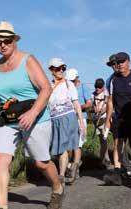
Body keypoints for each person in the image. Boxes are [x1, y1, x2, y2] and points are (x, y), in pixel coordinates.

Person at [0, 21, 63, 209]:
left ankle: (57, 187)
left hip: (35, 118)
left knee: (41, 163)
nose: (2, 45)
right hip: (7, 120)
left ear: (15, 41)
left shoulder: (27, 60)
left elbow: (46, 88)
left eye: (7, 41)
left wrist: (33, 112)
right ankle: (2, 206)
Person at [103, 52, 131, 185]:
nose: (119, 64)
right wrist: (107, 119)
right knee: (117, 144)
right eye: (117, 62)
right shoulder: (113, 80)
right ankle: (117, 173)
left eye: (122, 61)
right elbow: (110, 101)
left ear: (129, 62)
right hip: (119, 119)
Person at [47, 58, 85, 187]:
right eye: (58, 68)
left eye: (63, 68)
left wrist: (81, 123)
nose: (61, 71)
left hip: (68, 117)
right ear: (51, 70)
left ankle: (62, 175)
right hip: (54, 119)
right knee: (59, 149)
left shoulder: (69, 84)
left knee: (63, 147)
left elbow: (76, 103)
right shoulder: (48, 86)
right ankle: (72, 167)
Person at [64, 68, 91, 184]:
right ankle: (70, 166)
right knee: (68, 145)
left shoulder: (83, 87)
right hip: (69, 118)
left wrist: (78, 107)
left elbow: (89, 104)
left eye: (73, 80)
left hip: (81, 118)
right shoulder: (66, 87)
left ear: (77, 78)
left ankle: (74, 171)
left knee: (77, 145)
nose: (71, 82)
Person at [91, 78, 111, 168]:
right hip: (97, 121)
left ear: (103, 87)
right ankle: (106, 159)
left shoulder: (106, 94)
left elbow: (109, 105)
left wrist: (104, 110)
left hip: (105, 120)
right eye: (96, 86)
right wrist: (93, 109)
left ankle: (103, 160)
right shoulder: (93, 95)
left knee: (104, 139)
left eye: (99, 87)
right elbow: (91, 107)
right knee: (102, 141)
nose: (97, 89)